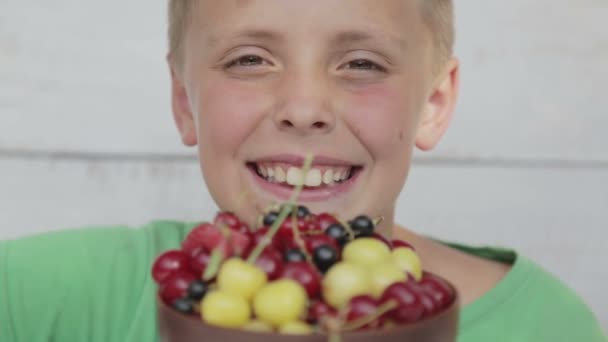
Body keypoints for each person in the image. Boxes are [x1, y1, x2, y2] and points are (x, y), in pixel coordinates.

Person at [1, 1, 605, 341]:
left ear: (434, 104)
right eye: (249, 59)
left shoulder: (550, 329)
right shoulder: (46, 299)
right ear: (185, 101)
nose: (304, 109)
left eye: (362, 63)